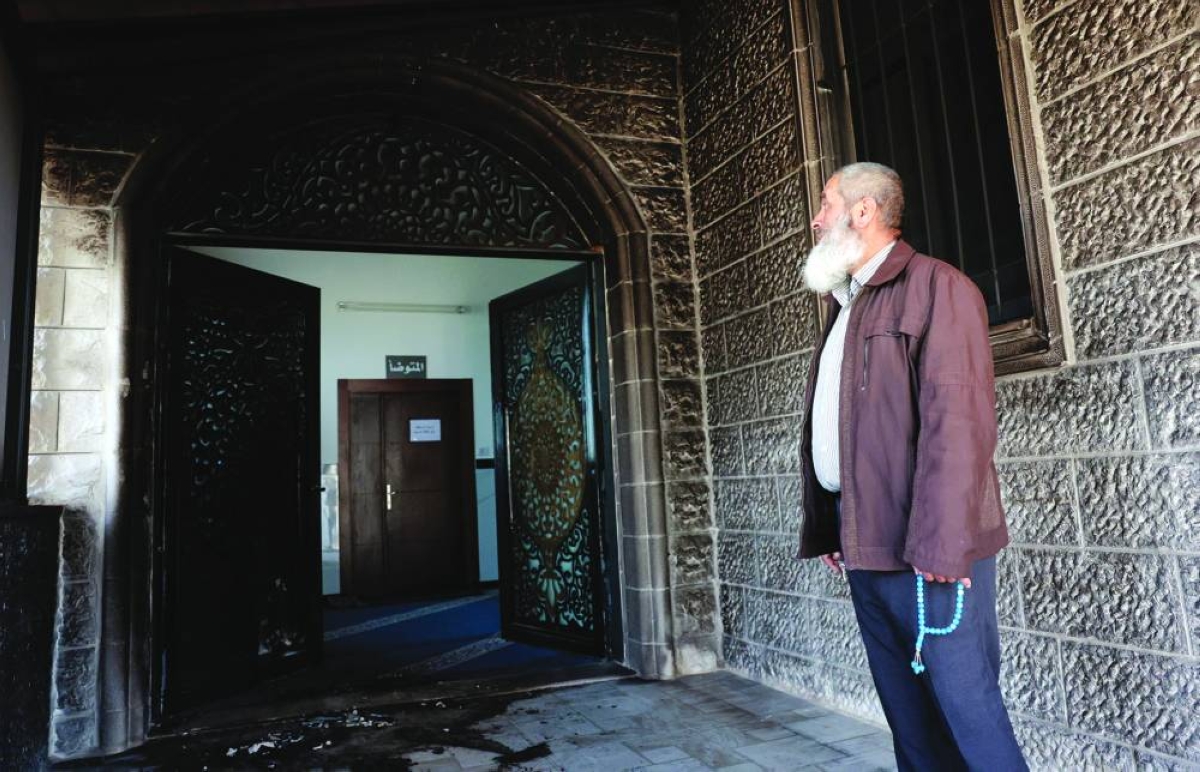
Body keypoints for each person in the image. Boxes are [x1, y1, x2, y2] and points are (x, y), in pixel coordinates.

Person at [797, 162, 1027, 771]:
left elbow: (959, 425)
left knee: (967, 713)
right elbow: (848, 432)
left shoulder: (938, 287)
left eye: (826, 203)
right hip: (863, 540)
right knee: (908, 721)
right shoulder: (849, 307)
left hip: (929, 548)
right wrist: (834, 524)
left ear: (863, 211)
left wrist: (945, 547)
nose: (817, 219)